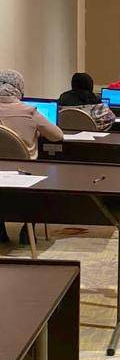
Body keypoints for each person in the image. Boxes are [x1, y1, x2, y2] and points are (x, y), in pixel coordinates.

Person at [0, 70, 64, 244]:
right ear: (19, 88)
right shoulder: (29, 111)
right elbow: (57, 136)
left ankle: (1, 229)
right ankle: (27, 231)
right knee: (46, 175)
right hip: (24, 176)